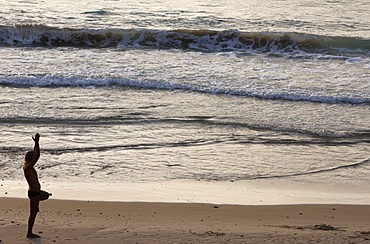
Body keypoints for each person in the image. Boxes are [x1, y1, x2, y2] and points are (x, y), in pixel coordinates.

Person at [23, 133, 51, 238]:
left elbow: (36, 155)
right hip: (33, 193)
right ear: (31, 158)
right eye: (33, 157)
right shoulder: (28, 167)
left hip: (35, 192)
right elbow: (37, 156)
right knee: (33, 214)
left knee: (46, 195)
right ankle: (29, 233)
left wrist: (35, 144)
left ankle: (36, 204)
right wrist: (37, 143)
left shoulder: (29, 167)